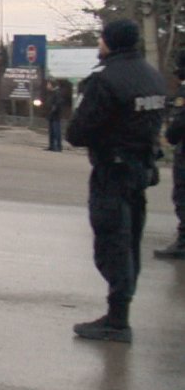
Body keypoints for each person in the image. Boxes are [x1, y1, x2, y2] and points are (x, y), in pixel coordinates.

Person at [66, 19, 165, 343]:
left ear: (109, 41)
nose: (99, 42)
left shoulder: (105, 80)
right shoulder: (152, 76)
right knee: (131, 240)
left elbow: (78, 132)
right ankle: (120, 310)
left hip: (112, 170)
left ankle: (117, 320)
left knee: (112, 241)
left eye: (101, 38)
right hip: (140, 170)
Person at [45, 80, 63, 152]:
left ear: (52, 85)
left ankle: (58, 147)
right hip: (51, 115)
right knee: (51, 132)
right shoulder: (51, 93)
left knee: (56, 131)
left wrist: (52, 111)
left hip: (55, 116)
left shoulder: (57, 93)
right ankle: (51, 146)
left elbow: (57, 104)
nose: (47, 86)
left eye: (48, 84)